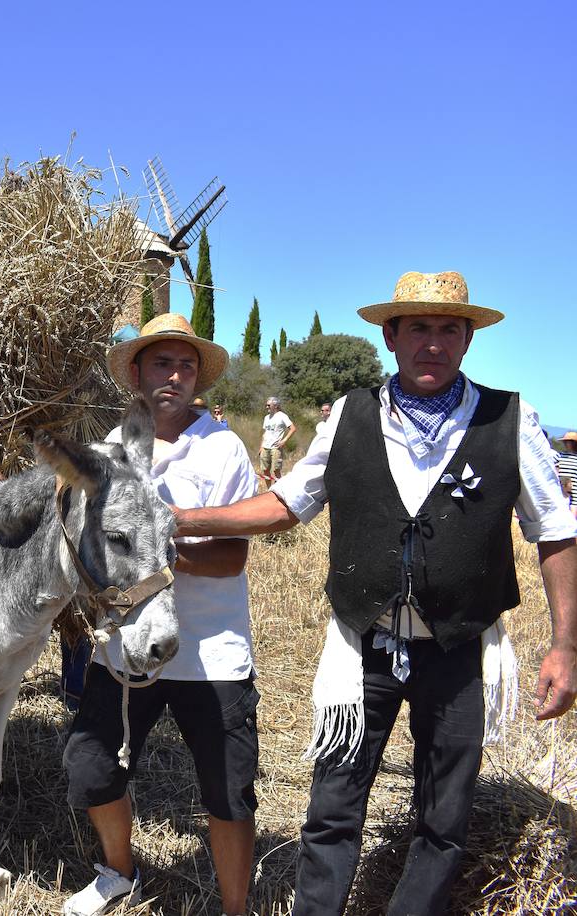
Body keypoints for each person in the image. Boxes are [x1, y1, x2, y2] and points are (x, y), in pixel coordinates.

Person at [173, 272, 577, 915]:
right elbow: (285, 504)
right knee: (333, 808)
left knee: (443, 819)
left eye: (449, 328)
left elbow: (555, 532)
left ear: (469, 340)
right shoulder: (348, 417)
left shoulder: (510, 419)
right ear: (391, 336)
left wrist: (564, 645)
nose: (434, 343)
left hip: (459, 649)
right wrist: (182, 520)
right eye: (419, 327)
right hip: (361, 647)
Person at [63, 313, 260, 916]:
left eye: (185, 365)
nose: (174, 375)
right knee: (92, 771)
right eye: (161, 363)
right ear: (136, 375)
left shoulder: (224, 448)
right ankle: (119, 872)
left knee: (227, 792)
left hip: (211, 650)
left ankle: (235, 908)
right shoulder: (102, 455)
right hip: (121, 651)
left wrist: (152, 541)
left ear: (198, 376)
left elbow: (231, 557)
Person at [258, 396, 295, 485]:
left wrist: (284, 441)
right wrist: (261, 446)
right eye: (266, 405)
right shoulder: (266, 417)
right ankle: (269, 490)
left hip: (276, 448)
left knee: (276, 470)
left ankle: (278, 491)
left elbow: (293, 428)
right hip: (265, 447)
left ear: (275, 406)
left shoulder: (282, 416)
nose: (266, 407)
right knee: (265, 470)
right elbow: (265, 433)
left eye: (268, 405)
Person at [555, 432, 577, 517]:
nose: (567, 444)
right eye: (566, 442)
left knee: (573, 506)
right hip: (561, 485)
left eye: (569, 442)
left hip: (574, 486)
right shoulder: (560, 455)